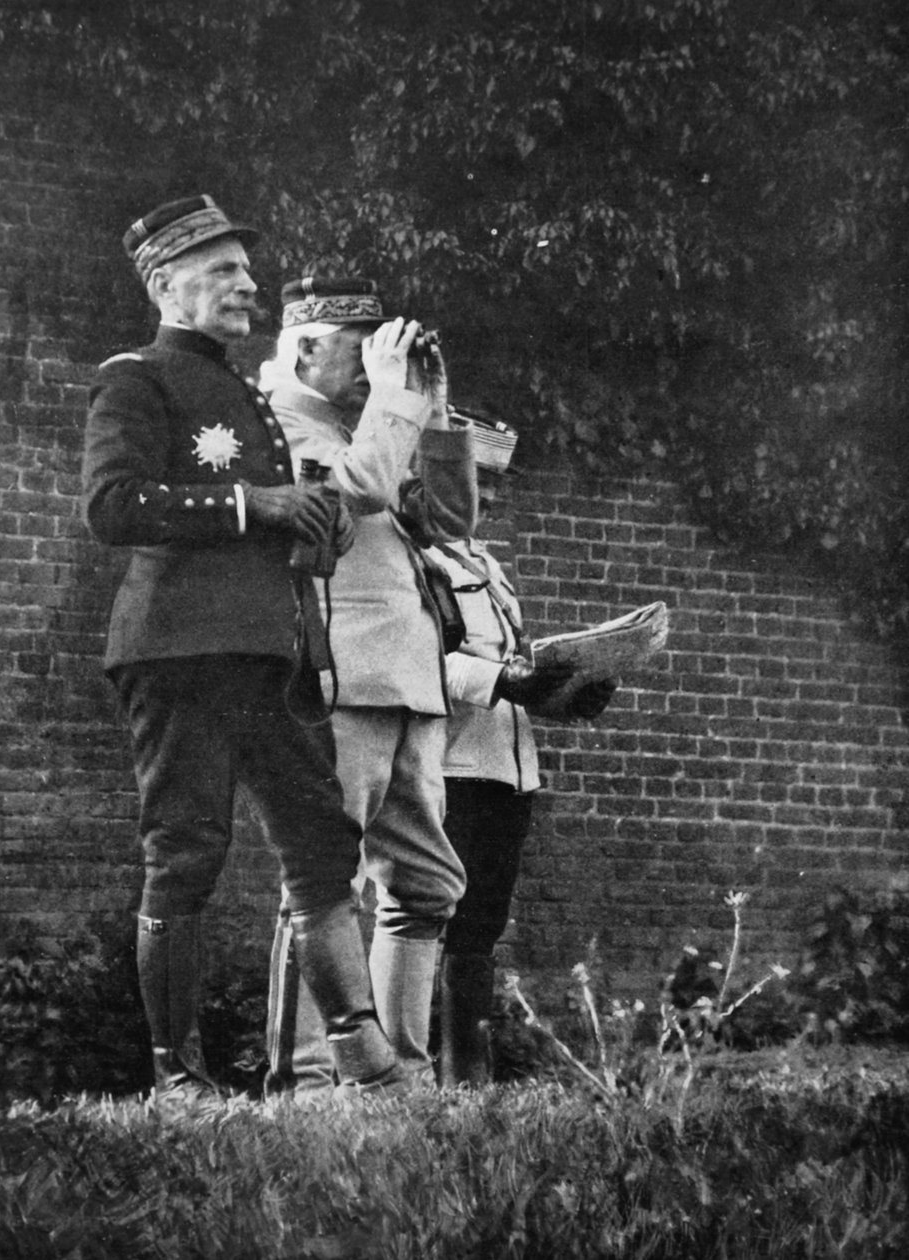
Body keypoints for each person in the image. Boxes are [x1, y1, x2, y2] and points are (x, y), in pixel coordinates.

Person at [81, 196, 406, 1101]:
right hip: (179, 650)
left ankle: (365, 1064)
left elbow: (265, 525)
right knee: (186, 848)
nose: (247, 285)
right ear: (165, 284)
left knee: (321, 840)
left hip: (267, 653)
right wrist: (254, 504)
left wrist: (309, 525)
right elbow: (112, 506)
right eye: (223, 270)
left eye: (247, 270)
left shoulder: (250, 398)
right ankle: (177, 1077)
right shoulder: (135, 379)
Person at [259, 275, 485, 1100]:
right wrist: (394, 404)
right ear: (305, 350)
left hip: (410, 683)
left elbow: (452, 522)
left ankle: (401, 1082)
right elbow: (354, 497)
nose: (377, 368)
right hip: (336, 682)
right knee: (323, 881)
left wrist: (438, 412)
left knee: (425, 884)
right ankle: (308, 1081)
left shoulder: (374, 422)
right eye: (361, 351)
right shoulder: (273, 421)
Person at [427, 410, 618, 1085]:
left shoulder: (486, 564)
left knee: (481, 925)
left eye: (496, 484)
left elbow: (513, 673)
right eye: (475, 478)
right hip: (448, 767)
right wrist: (508, 681)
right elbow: (417, 661)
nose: (487, 496)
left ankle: (466, 1077)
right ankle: (420, 1072)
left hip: (506, 771)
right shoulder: (416, 559)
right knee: (433, 919)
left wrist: (567, 695)